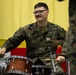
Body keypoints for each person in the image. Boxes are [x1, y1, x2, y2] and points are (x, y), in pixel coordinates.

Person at [0, 2, 66, 75]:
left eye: (40, 11)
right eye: (35, 12)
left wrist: (62, 55)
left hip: (50, 62)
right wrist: (4, 48)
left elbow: (67, 42)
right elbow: (13, 41)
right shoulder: (26, 29)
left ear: (47, 12)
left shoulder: (57, 29)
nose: (37, 14)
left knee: (59, 73)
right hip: (31, 62)